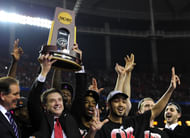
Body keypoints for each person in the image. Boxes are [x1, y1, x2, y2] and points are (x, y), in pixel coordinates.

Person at [95, 67, 180, 138]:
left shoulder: (134, 123)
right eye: (116, 101)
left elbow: (155, 110)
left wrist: (171, 89)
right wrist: (123, 76)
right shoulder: (102, 126)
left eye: (124, 102)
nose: (121, 104)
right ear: (108, 104)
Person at [27, 54, 82, 138]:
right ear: (44, 105)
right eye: (52, 100)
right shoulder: (41, 120)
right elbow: (33, 99)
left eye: (60, 100)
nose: (57, 103)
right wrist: (43, 72)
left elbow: (79, 97)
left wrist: (79, 63)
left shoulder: (70, 120)